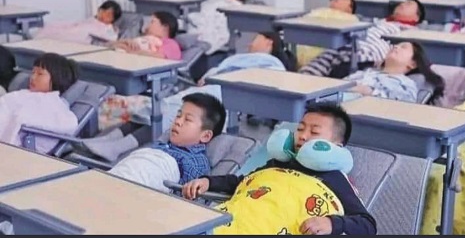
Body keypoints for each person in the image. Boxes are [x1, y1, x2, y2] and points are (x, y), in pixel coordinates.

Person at [182, 103, 377, 235]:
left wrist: (331, 223)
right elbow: (242, 182)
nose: (303, 136)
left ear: (337, 146)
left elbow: (367, 223)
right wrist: (208, 181)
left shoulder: (335, 178)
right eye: (300, 129)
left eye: (314, 132)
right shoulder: (278, 164)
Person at [74, 93, 226, 190]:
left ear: (205, 136)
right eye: (179, 115)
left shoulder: (197, 161)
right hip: (129, 168)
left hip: (156, 174)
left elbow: (188, 194)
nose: (178, 122)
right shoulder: (163, 143)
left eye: (187, 120)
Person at [300, 0, 426, 78]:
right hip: (350, 43)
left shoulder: (411, 31)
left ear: (416, 17)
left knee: (348, 60)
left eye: (408, 4)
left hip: (371, 49)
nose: (402, 4)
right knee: (318, 64)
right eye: (403, 2)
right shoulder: (379, 21)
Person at [0, 53, 79, 153]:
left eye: (40, 74)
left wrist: (21, 119)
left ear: (57, 78)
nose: (32, 77)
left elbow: (69, 125)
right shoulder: (22, 94)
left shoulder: (54, 105)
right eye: (32, 72)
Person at [344, 42, 444, 103]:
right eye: (396, 45)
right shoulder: (365, 72)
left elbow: (399, 107)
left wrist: (367, 91)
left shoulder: (406, 84)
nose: (396, 47)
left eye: (403, 47)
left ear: (413, 64)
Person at [198, 31, 296, 86]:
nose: (249, 44)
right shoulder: (246, 60)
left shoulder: (272, 64)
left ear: (269, 42)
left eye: (254, 39)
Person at [297, 0, 358, 67]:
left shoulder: (351, 20)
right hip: (303, 48)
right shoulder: (319, 12)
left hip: (325, 56)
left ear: (350, 8)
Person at [34, 0, 123, 45]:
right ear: (99, 9)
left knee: (68, 33)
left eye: (108, 15)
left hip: (83, 34)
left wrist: (114, 30)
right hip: (78, 26)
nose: (104, 15)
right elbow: (80, 24)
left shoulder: (108, 27)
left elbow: (112, 38)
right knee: (52, 26)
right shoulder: (91, 19)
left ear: (113, 19)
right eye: (103, 11)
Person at [111, 11, 182, 60]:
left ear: (165, 27)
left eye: (152, 22)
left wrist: (132, 52)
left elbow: (159, 57)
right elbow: (105, 46)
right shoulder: (143, 39)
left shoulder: (171, 44)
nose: (147, 26)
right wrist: (123, 42)